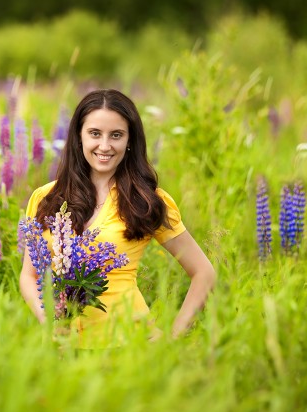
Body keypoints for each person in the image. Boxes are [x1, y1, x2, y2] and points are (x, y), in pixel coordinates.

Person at [19, 89, 215, 348]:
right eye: (95, 133)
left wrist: (172, 338)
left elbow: (204, 273)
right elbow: (29, 276)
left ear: (130, 140)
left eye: (116, 135)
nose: (105, 146)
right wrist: (49, 321)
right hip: (62, 348)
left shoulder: (147, 200)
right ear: (78, 137)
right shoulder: (46, 197)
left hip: (130, 346)